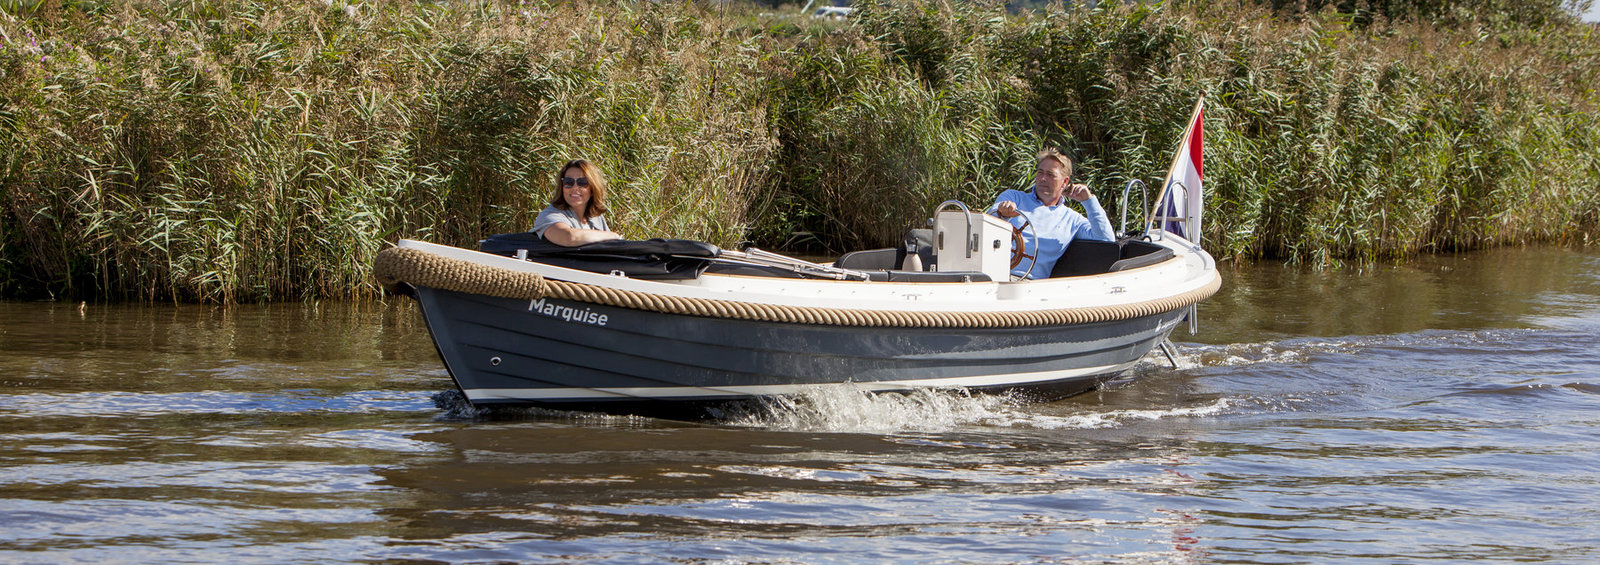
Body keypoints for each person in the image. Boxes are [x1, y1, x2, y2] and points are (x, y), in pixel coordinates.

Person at [992, 148, 1115, 279]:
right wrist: (1003, 213)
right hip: (990, 274)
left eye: (1050, 175)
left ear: (1065, 182)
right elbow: (986, 225)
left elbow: (1106, 240)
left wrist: (1089, 202)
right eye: (1040, 172)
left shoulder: (1072, 220)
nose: (1043, 178)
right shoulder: (1013, 197)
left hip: (1029, 284)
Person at [533, 159, 624, 246]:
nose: (575, 188)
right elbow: (569, 237)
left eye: (582, 183)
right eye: (568, 182)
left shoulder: (596, 218)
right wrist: (613, 236)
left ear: (592, 189)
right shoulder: (549, 215)